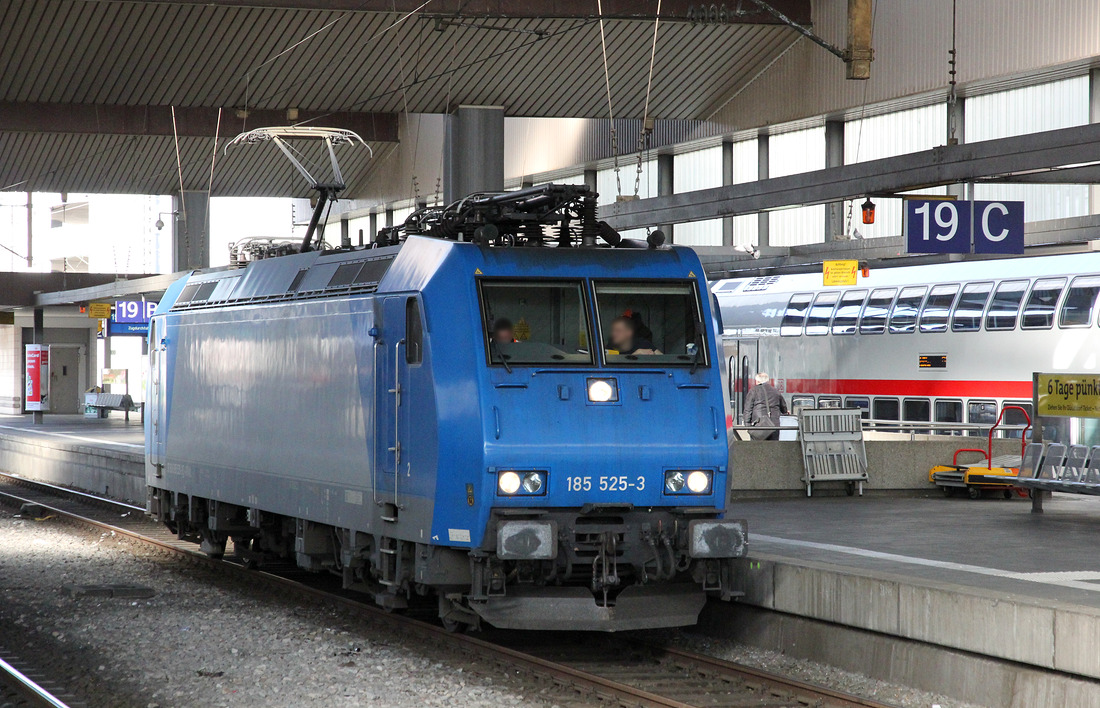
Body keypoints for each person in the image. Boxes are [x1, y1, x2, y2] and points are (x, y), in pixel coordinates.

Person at [743, 372, 788, 441]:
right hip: (774, 425)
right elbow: (783, 407)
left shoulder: (753, 391)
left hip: (759, 425)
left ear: (757, 381)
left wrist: (747, 425)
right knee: (773, 448)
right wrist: (785, 412)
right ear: (768, 381)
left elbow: (748, 409)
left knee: (757, 448)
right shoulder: (775, 391)